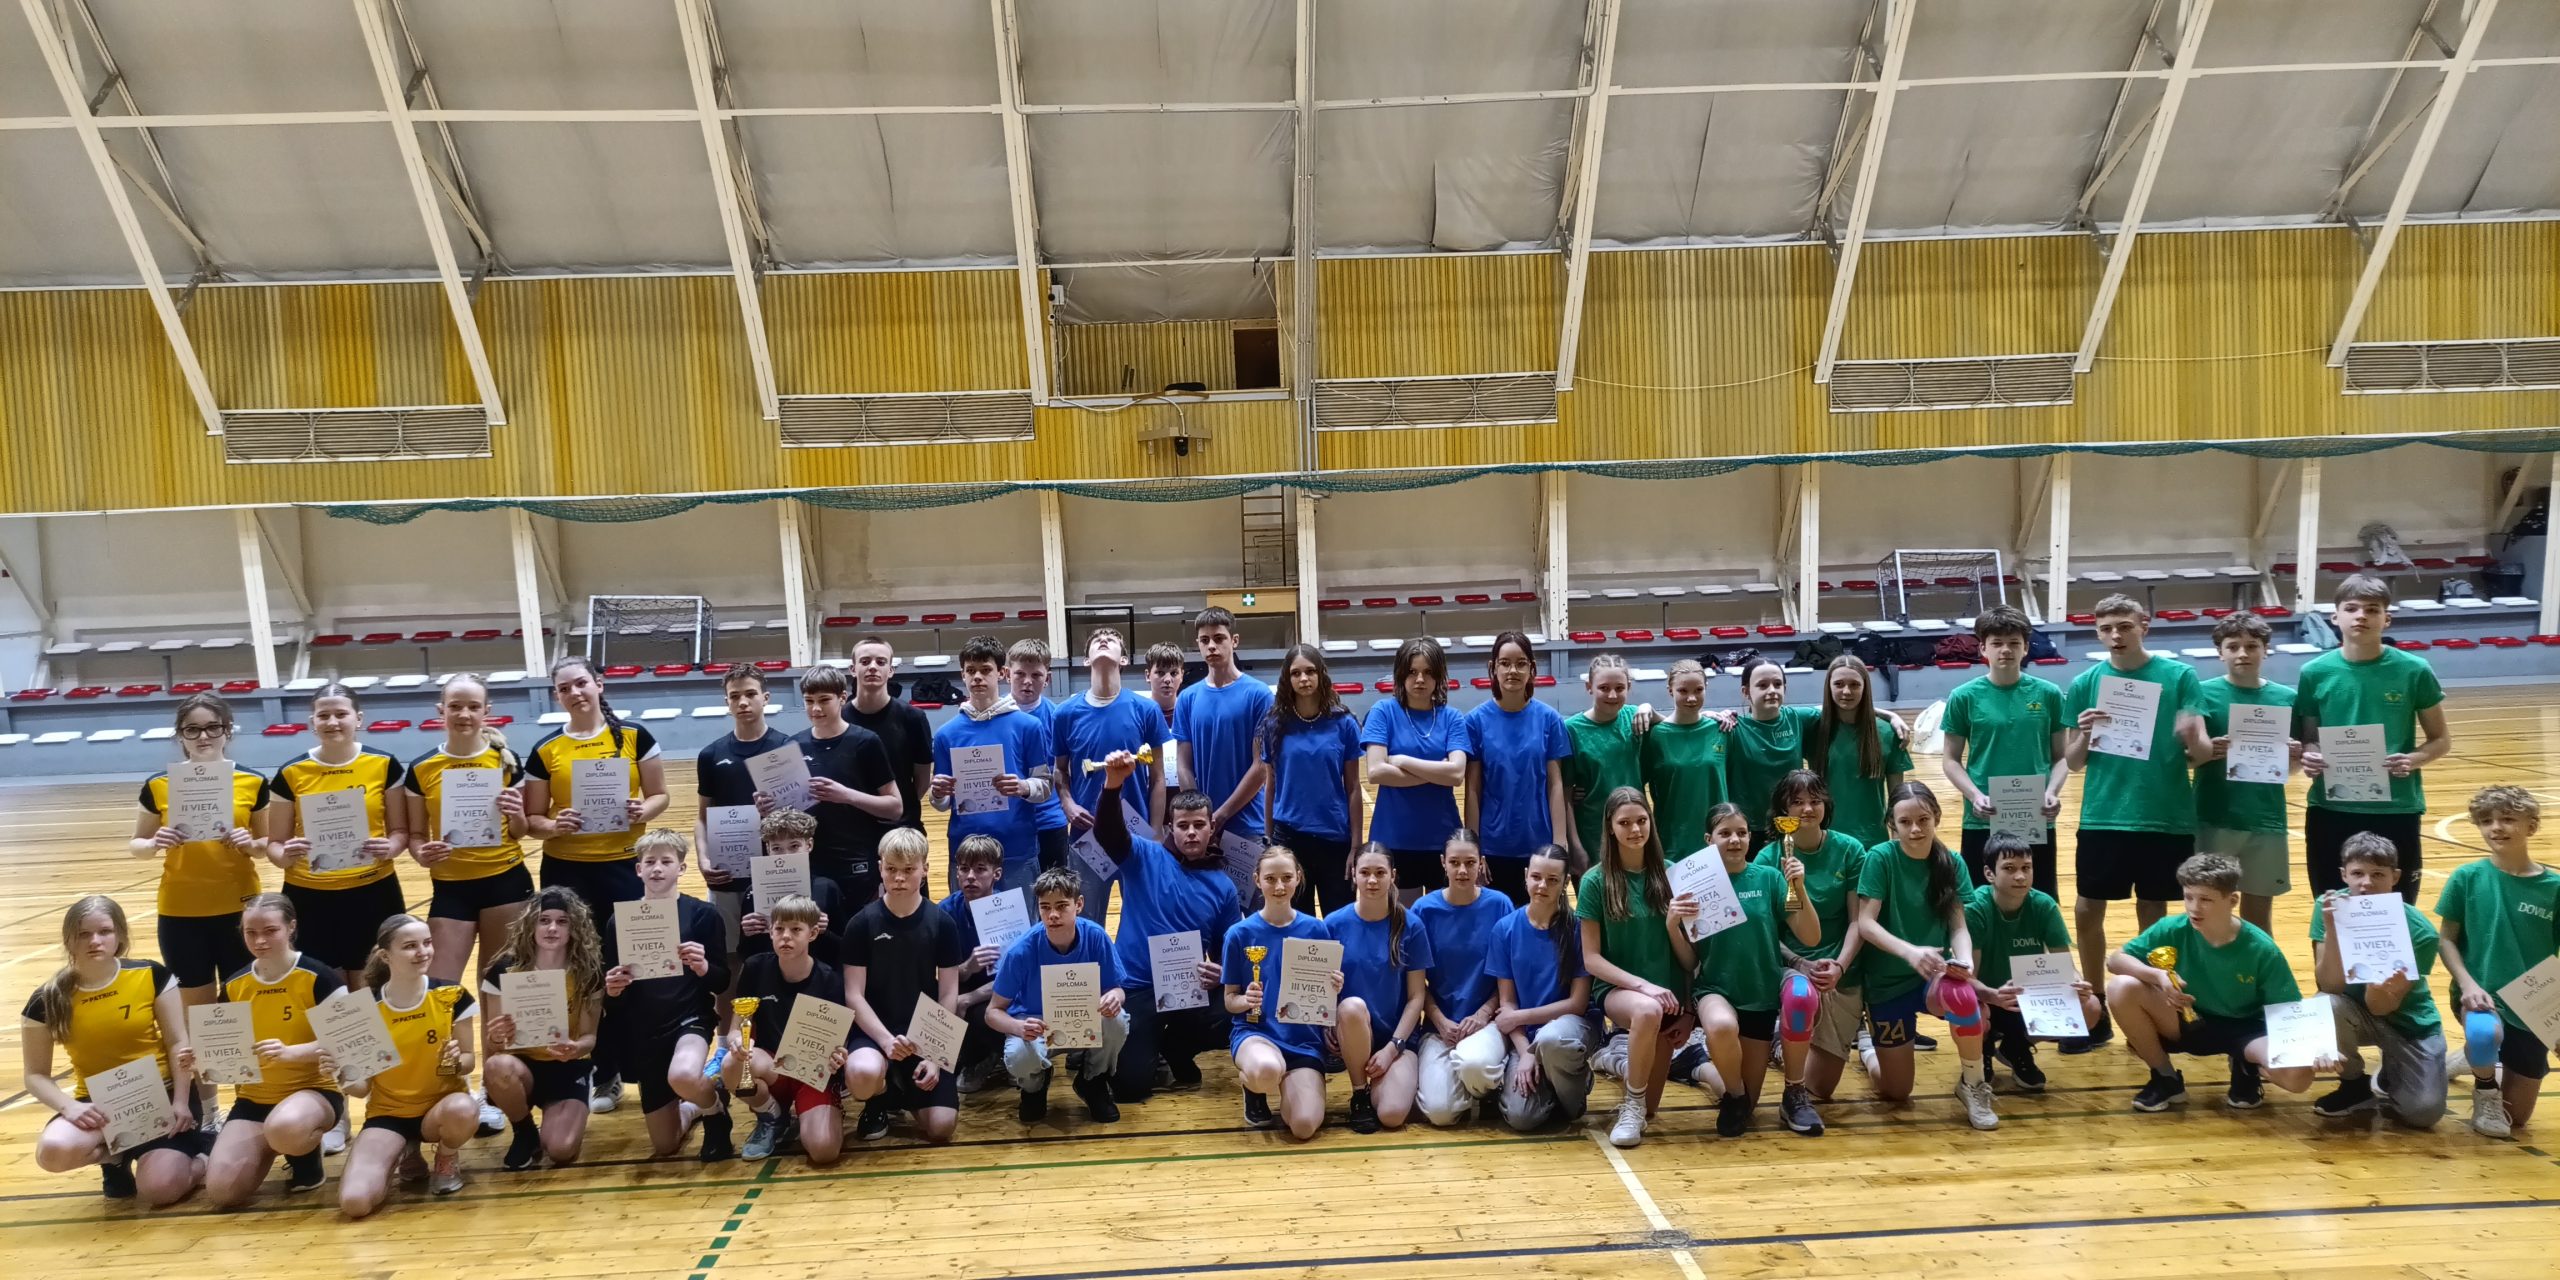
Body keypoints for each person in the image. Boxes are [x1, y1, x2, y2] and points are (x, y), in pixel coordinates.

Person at [2062, 594, 2211, 1054]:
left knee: (2154, 913)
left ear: (2144, 625)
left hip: (2165, 815)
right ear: (2097, 632)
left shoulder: (2179, 676)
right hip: (2104, 813)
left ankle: (2154, 1002)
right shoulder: (2086, 683)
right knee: (2087, 910)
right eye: (2106, 628)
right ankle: (2094, 1008)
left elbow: (2201, 753)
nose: (2116, 635)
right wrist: (2085, 733)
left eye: (2124, 626)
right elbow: (2073, 762)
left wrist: (2193, 736)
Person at [130, 691, 269, 1123]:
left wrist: (252, 842)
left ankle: (249, 1104)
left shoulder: (252, 781)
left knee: (240, 1012)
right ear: (181, 736)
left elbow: (267, 844)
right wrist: (154, 842)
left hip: (239, 913)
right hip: (181, 913)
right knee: (198, 1017)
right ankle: (209, 1112)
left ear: (228, 731)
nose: (203, 736)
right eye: (192, 729)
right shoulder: (159, 784)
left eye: (213, 727)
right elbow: (136, 844)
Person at [2106, 853, 2325, 1112]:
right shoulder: (2171, 928)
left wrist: (2317, 1048)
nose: (2194, 908)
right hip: (2188, 1020)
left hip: (2246, 1030)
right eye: (2188, 897)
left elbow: (2288, 1009)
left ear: (2232, 900)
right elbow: (2115, 960)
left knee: (2298, 1078)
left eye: (2205, 899)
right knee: (2120, 987)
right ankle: (2166, 1077)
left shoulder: (2261, 948)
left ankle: (2247, 1066)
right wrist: (2158, 976)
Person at [19, 895, 201, 1206]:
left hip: (161, 1096)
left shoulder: (150, 975)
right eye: (83, 934)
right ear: (68, 939)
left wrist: (182, 1101)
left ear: (120, 935)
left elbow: (177, 1042)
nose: (95, 941)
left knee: (159, 1190)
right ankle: (114, 1157)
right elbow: (35, 1075)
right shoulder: (46, 999)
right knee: (52, 1152)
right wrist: (69, 1107)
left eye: (104, 931)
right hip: (99, 1105)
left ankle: (206, 1157)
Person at [1089, 759, 1239, 1105]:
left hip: (1189, 990)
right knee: (1130, 1088)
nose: (1191, 833)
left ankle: (1175, 1049)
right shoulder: (1143, 855)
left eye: (1199, 825)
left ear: (1212, 827)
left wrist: (1220, 972)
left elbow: (1226, 952)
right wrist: (1113, 785)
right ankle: (1146, 1048)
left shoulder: (1223, 887)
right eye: (1183, 825)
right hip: (1136, 987)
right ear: (1170, 827)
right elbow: (1107, 833)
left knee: (1237, 1007)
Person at [2296, 575, 2452, 904]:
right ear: (2335, 617)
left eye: (2372, 609)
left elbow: (2440, 739)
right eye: (2351, 608)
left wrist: (2413, 760)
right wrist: (2311, 755)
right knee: (2331, 908)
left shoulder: (2414, 670)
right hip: (2331, 807)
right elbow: (2310, 738)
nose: (2361, 616)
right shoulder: (2314, 672)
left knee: (2396, 909)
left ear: (2386, 618)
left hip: (2395, 807)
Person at [1854, 784, 1997, 1130]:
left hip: (1933, 977)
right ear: (1892, 824)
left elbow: (1959, 927)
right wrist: (1911, 952)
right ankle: (1868, 1049)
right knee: (1896, 1091)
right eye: (1905, 822)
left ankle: (1973, 1083)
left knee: (1966, 999)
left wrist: (1965, 962)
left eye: (1923, 819)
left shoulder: (1952, 862)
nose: (1915, 829)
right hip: (1887, 982)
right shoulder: (1880, 858)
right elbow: (1865, 924)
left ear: (1937, 818)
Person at [1683, 804, 1823, 1137]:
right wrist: (1673, 922)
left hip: (1760, 996)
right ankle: (1732, 1095)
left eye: (1742, 833)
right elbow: (1689, 960)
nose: (1735, 840)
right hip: (1716, 990)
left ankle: (1698, 1067)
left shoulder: (1769, 878)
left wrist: (1799, 886)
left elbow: (1811, 937)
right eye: (1725, 833)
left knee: (1751, 1104)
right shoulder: (1695, 885)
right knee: (1721, 1028)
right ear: (1709, 840)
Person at [264, 683, 410, 996]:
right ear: (312, 722)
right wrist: (285, 854)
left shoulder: (384, 764)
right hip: (310, 897)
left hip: (373, 892)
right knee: (330, 994)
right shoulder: (291, 772)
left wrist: (392, 847)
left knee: (375, 987)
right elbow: (274, 844)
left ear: (358, 718)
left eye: (341, 714)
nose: (332, 722)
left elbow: (400, 831)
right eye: (324, 715)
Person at [2434, 784, 2559, 1137]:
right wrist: (2468, 985)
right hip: (2481, 994)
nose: (2496, 828)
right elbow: (2446, 939)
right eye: (2486, 821)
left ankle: (2471, 1058)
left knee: (2517, 1118)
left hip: (2534, 1004)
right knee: (2485, 1032)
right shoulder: (2466, 878)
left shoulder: (2554, 887)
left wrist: (2556, 1018)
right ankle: (2485, 1088)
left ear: (2531, 826)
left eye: (2507, 819)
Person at [601, 830, 733, 1161]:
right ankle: (697, 1103)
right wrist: (612, 989)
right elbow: (612, 997)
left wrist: (703, 967)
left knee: (683, 1075)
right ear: (638, 870)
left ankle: (715, 1113)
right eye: (650, 862)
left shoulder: (702, 914)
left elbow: (721, 981)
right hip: (644, 1032)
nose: (657, 868)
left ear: (682, 868)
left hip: (690, 1019)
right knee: (666, 1144)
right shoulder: (620, 921)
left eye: (666, 861)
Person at [203, 894, 342, 1203]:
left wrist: (294, 1052)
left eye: (270, 931)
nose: (260, 941)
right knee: (223, 1193)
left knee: (286, 1127)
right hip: (255, 1099)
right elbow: (225, 1052)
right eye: (250, 932)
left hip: (313, 1093)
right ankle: (269, 1144)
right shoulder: (234, 985)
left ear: (291, 927)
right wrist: (201, 1057)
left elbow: (352, 1039)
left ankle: (305, 1157)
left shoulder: (320, 977)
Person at [335, 914, 477, 1213]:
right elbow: (361, 1089)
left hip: (440, 1110)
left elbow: (468, 1062)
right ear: (385, 956)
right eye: (410, 946)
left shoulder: (451, 995)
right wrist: (341, 1073)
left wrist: (455, 1062)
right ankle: (404, 1149)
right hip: (389, 1114)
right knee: (355, 1202)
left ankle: (446, 1156)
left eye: (427, 943)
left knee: (464, 1108)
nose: (423, 952)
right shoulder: (364, 1010)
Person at [1578, 788, 1695, 1147]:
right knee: (1646, 1010)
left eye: (1641, 820)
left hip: (1669, 997)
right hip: (1621, 991)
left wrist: (1688, 1010)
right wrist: (1643, 987)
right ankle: (1630, 1104)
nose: (1635, 830)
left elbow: (1690, 960)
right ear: (1610, 828)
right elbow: (1591, 959)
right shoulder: (1595, 881)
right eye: (1625, 823)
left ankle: (1618, 1066)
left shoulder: (1673, 874)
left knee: (1652, 1110)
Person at [404, 674, 533, 988]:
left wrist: (516, 813)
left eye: (473, 707)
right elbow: (416, 836)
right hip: (451, 887)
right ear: (441, 710)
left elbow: (519, 831)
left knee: (500, 985)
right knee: (439, 986)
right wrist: (422, 854)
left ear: (486, 710)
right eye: (455, 706)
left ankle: (493, 1027)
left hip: (506, 881)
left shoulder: (506, 762)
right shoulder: (422, 767)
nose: (464, 714)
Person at [2310, 833, 2446, 1129]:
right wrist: (2333, 929)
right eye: (2357, 873)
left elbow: (2381, 1007)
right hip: (2353, 1013)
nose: (2366, 883)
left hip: (2408, 1023)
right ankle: (2354, 1085)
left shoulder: (2421, 932)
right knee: (2326, 1005)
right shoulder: (2328, 906)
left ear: (2395, 877)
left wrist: (2377, 984)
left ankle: (2393, 1071)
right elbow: (2330, 986)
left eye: (2378, 875)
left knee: (2423, 1113)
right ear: (2344, 875)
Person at [519, 653, 671, 913]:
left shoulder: (636, 736)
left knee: (627, 938)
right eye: (564, 689)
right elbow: (532, 820)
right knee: (572, 940)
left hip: (627, 862)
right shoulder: (545, 749)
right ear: (557, 696)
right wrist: (555, 826)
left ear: (598, 684)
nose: (574, 693)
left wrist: (642, 811)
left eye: (581, 683)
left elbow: (660, 796)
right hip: (564, 868)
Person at [1752, 770, 1870, 1102]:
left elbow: (1858, 921)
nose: (1807, 809)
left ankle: (1785, 1042)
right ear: (1783, 811)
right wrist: (1799, 963)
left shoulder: (1850, 850)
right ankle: (1783, 1038)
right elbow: (1766, 933)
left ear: (1826, 805)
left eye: (1815, 801)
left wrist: (1840, 967)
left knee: (1820, 1087)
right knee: (1800, 1001)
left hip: (1839, 970)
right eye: (1797, 802)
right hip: (1792, 968)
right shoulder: (1768, 859)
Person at [843, 829, 963, 1145]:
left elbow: (949, 993)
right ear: (880, 867)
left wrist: (935, 1054)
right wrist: (885, 1042)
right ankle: (879, 1094)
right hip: (874, 1032)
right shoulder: (861, 923)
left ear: (925, 869)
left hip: (924, 1032)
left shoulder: (942, 923)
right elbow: (853, 995)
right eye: (891, 869)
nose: (899, 878)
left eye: (909, 869)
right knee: (861, 1075)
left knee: (941, 1127)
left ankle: (900, 1088)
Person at [1940, 606, 2069, 896]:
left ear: (2026, 648)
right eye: (1997, 643)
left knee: (2038, 897)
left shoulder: (2049, 694)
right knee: (1979, 900)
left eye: (2014, 643)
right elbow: (1950, 760)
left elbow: (2061, 757)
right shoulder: (1963, 696)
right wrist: (1975, 796)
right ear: (1983, 648)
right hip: (1983, 816)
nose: (2006, 650)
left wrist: (2052, 792)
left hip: (2035, 814)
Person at [988, 867, 1127, 1125]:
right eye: (1045, 907)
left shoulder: (1096, 936)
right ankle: (1034, 1087)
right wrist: (1018, 1027)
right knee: (1019, 1056)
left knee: (1117, 1020)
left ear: (1079, 904)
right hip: (1037, 1025)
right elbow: (992, 1012)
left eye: (1062, 906)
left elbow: (1116, 989)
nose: (1053, 915)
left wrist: (1115, 997)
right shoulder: (1020, 951)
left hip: (1084, 1020)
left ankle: (1092, 1081)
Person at [481, 888, 606, 1170]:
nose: (552, 928)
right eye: (544, 920)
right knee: (497, 1066)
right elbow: (495, 1045)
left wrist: (576, 1048)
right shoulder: (505, 969)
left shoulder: (587, 971)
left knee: (561, 1150)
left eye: (562, 921)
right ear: (531, 925)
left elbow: (589, 1038)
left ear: (574, 929)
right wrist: (498, 1036)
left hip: (567, 1067)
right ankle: (524, 1130)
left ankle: (571, 1104)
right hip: (523, 1067)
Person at [1053, 627, 1172, 921]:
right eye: (1096, 640)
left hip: (1136, 837)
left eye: (1112, 640)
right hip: (1087, 837)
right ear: (1085, 660)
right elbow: (1060, 771)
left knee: (1144, 920)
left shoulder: (1146, 710)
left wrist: (1156, 833)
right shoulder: (1065, 713)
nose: (1103, 641)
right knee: (1087, 922)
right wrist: (1068, 804)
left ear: (1124, 659)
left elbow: (1158, 778)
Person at [1965, 833, 2095, 1094]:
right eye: (2009, 869)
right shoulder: (1975, 909)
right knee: (1972, 1009)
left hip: (2026, 998)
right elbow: (1969, 977)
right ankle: (1982, 1049)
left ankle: (2016, 1046)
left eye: (2026, 868)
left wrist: (2077, 983)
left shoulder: (2044, 905)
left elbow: (2065, 964)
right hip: (1987, 996)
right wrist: (1991, 996)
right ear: (1990, 874)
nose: (2020, 876)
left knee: (2090, 1007)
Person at [1222, 846, 1337, 1140]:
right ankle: (1253, 1087)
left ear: (1298, 877)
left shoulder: (1316, 930)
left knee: (1303, 1126)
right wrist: (1245, 1000)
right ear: (1257, 880)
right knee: (1266, 1070)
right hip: (1256, 1034)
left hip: (1303, 1041)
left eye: (1286, 878)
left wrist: (1334, 987)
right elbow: (1229, 1000)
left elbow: (1324, 998)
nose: (1279, 886)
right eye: (1270, 879)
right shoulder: (1239, 934)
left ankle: (1292, 1089)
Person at [2194, 613, 2299, 932]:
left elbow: (2292, 767)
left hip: (2266, 817)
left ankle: (2257, 965)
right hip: (2214, 816)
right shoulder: (2202, 694)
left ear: (2266, 650)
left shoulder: (2286, 698)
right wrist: (2208, 750)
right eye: (2233, 646)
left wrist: (2295, 755)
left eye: (2252, 646)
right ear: (2220, 652)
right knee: (2208, 906)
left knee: (2259, 914)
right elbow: (2184, 758)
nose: (2243, 653)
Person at [732, 894, 854, 1166]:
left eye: (796, 929)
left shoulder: (830, 980)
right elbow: (735, 1029)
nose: (785, 936)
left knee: (824, 1151)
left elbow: (840, 1042)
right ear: (770, 932)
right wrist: (737, 1042)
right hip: (772, 1069)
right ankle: (771, 1116)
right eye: (779, 929)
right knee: (732, 1064)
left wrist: (838, 1056)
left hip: (811, 1073)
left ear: (813, 933)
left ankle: (820, 1109)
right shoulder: (754, 968)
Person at [931, 635, 1057, 890]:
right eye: (971, 671)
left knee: (1023, 917)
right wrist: (938, 793)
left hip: (1017, 850)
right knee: (966, 917)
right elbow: (942, 804)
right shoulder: (945, 734)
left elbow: (1045, 785)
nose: (977, 677)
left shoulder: (1029, 726)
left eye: (985, 670)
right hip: (965, 853)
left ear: (1001, 673)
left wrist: (1023, 787)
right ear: (962, 675)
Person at [1485, 846, 1596, 1131]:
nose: (1542, 886)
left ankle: (1573, 1087)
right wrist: (1525, 1053)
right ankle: (1551, 1083)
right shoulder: (1504, 929)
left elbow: (1577, 1004)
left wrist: (1520, 1019)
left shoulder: (1578, 929)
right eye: (1536, 877)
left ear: (1566, 883)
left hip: (1568, 1030)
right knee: (1521, 1118)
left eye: (1552, 880)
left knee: (1551, 1040)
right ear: (1525, 876)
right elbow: (1507, 1004)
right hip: (1527, 1037)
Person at [1411, 831, 1517, 1127]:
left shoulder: (1500, 905)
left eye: (1470, 863)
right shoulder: (1423, 910)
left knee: (1475, 1064)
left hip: (1489, 1022)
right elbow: (1416, 984)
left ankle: (1488, 1080)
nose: (1462, 870)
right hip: (1441, 1027)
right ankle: (1470, 1082)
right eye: (1454, 862)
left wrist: (1483, 1015)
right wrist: (1440, 1021)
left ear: (1481, 863)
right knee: (1440, 1113)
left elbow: (1510, 977)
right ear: (1442, 863)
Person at [1324, 845, 1431, 1133]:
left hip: (1397, 1037)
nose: (1372, 880)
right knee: (1351, 1006)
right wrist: (1327, 1022)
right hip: (1353, 1028)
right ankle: (1360, 1093)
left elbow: (1416, 997)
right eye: (1365, 873)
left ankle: (1387, 1083)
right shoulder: (1332, 924)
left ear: (1392, 876)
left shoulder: (1411, 925)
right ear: (1354, 875)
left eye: (1380, 873)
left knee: (1392, 1115)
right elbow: (1321, 989)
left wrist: (1392, 1049)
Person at [1464, 632, 1574, 904]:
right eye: (1505, 663)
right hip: (1493, 848)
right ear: (1493, 668)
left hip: (1539, 847)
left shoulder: (1549, 719)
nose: (1512, 670)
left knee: (1541, 923)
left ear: (1532, 669)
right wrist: (1473, 847)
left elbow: (1555, 784)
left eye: (1521, 663)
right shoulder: (1475, 721)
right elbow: (1472, 789)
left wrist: (1560, 842)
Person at [1176, 608, 1276, 899]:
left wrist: (1219, 816)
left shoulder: (1259, 695)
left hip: (1246, 827)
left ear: (1234, 641)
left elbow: (1260, 767)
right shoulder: (1187, 698)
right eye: (1204, 640)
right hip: (1202, 830)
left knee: (1254, 913)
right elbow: (1184, 764)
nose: (1211, 646)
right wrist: (1199, 816)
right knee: (1206, 913)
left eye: (1219, 638)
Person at [1363, 637, 1473, 903]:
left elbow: (1457, 774)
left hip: (1443, 841)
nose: (1420, 679)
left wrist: (1402, 760)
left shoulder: (1452, 717)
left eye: (1428, 672)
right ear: (1400, 674)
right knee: (1402, 922)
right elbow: (1376, 772)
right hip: (1394, 840)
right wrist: (1438, 773)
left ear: (1439, 676)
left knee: (1441, 920)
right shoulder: (1383, 712)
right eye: (1412, 672)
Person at [1257, 643, 1364, 916]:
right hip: (1290, 839)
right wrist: (1269, 841)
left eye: (1310, 671)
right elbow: (1271, 786)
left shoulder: (1344, 723)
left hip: (1335, 840)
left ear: (1321, 674)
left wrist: (1356, 845)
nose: (1303, 679)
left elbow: (1353, 788)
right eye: (1296, 673)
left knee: (1339, 922)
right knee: (1296, 925)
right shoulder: (1274, 725)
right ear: (1287, 678)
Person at [694, 664, 792, 957]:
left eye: (750, 694)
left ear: (766, 698)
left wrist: (775, 811)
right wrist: (703, 859)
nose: (743, 702)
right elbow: (702, 818)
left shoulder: (785, 747)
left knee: (780, 949)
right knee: (728, 953)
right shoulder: (711, 755)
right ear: (726, 702)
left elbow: (801, 814)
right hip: (727, 873)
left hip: (776, 870)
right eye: (735, 696)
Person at [791, 664, 903, 913]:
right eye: (809, 701)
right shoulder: (793, 745)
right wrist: (769, 807)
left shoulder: (865, 742)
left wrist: (846, 795)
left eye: (824, 700)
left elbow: (895, 807)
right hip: (810, 864)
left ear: (842, 698)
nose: (816, 708)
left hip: (856, 860)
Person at [1806, 655, 1912, 849]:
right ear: (1828, 686)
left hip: (1873, 841)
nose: (1846, 691)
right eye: (1839, 684)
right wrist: (1890, 713)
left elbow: (1897, 798)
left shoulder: (1888, 733)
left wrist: (1897, 843)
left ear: (1865, 687)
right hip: (1824, 840)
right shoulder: (1813, 729)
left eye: (1855, 685)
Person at [935, 836, 1011, 1094]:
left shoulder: (1008, 911)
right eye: (964, 868)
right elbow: (939, 974)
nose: (970, 877)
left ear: (996, 874)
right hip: (959, 986)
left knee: (983, 1014)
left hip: (1000, 993)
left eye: (980, 869)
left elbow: (1018, 978)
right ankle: (975, 1056)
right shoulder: (944, 912)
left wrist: (969, 998)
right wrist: (968, 967)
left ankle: (994, 1056)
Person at [846, 636, 937, 843]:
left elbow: (922, 777)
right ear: (853, 669)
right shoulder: (840, 719)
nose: (872, 667)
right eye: (865, 661)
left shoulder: (913, 718)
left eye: (881, 662)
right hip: (855, 832)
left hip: (903, 828)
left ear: (891, 670)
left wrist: (899, 808)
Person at [1563, 654, 1649, 869]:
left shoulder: (1636, 717)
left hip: (1634, 830)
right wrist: (1575, 845)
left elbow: (1677, 726)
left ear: (1629, 687)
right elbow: (1565, 794)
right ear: (1589, 687)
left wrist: (1648, 707)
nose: (1612, 695)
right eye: (1604, 688)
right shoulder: (1571, 729)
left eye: (1620, 688)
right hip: (1592, 833)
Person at [1640, 660, 1732, 860]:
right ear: (1670, 690)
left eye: (1698, 690)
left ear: (1706, 688)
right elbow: (1635, 783)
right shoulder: (1655, 735)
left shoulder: (1721, 729)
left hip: (1719, 841)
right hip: (1672, 842)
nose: (1691, 698)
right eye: (1683, 691)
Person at [1008, 639, 1075, 877]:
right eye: (1020, 674)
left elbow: (1066, 770)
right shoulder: (992, 716)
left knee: (1054, 892)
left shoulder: (1058, 718)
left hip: (1050, 821)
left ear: (1047, 679)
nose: (1027, 681)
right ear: (1006, 674)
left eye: (1036, 675)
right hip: (1009, 821)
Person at [1729, 659, 1817, 841]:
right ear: (1745, 691)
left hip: (1793, 823)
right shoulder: (1732, 727)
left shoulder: (1797, 718)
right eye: (1762, 685)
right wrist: (1707, 714)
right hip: (1749, 829)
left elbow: (1841, 708)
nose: (1772, 691)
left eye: (1777, 684)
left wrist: (1882, 714)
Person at [1143, 642, 1187, 730]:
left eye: (1174, 673)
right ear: (1148, 676)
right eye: (1160, 672)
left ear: (1181, 676)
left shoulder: (1190, 713)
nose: (1167, 680)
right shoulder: (1139, 714)